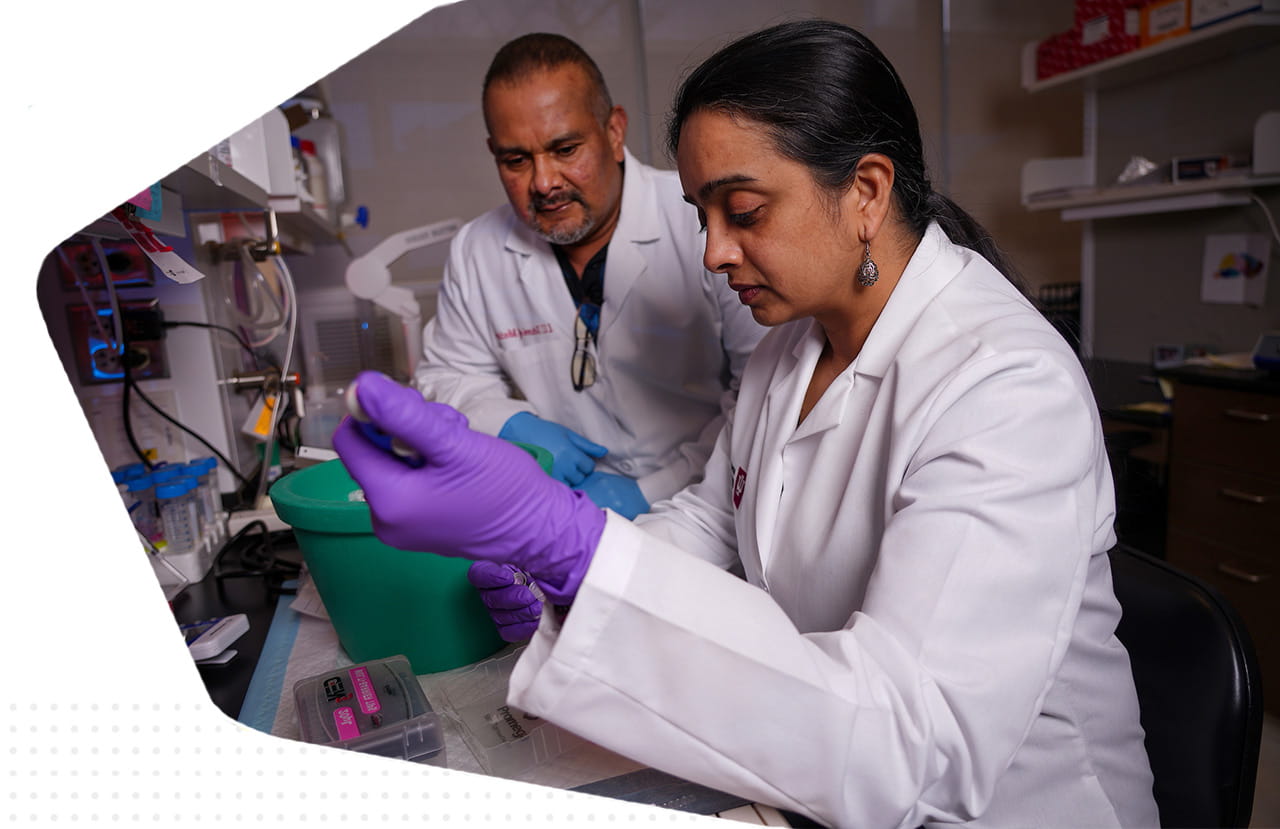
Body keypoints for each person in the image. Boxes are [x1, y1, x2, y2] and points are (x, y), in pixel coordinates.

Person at [335, 19, 1160, 828]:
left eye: (744, 211)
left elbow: (915, 746)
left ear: (866, 192)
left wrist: (573, 545)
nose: (712, 253)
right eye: (702, 215)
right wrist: (577, 571)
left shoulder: (1006, 384)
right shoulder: (792, 345)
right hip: (822, 780)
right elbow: (714, 519)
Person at [415, 32, 764, 516]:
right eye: (516, 160)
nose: (543, 182)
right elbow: (448, 374)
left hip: (710, 501)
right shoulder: (478, 251)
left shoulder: (697, 220)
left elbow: (764, 386)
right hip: (561, 509)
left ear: (614, 131)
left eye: (565, 149)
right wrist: (509, 422)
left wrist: (655, 489)